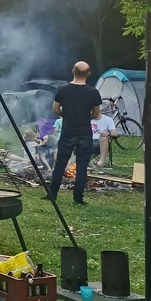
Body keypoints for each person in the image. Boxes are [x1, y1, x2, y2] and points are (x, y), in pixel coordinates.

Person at [48, 61, 102, 205]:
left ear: (73, 71)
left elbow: (55, 110)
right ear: (89, 74)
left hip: (67, 132)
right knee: (82, 165)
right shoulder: (93, 92)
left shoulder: (63, 90)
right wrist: (85, 116)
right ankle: (78, 198)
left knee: (60, 163)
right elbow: (96, 114)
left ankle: (52, 194)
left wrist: (67, 115)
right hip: (85, 133)